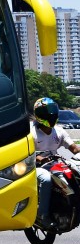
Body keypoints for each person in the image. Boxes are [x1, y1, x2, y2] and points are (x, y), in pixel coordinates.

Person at [31, 97, 80, 229]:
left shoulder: (59, 131)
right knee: (46, 180)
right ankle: (43, 215)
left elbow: (74, 149)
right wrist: (39, 158)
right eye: (46, 112)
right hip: (34, 167)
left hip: (54, 164)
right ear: (38, 115)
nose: (51, 114)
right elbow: (24, 154)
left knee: (75, 171)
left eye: (53, 111)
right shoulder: (31, 133)